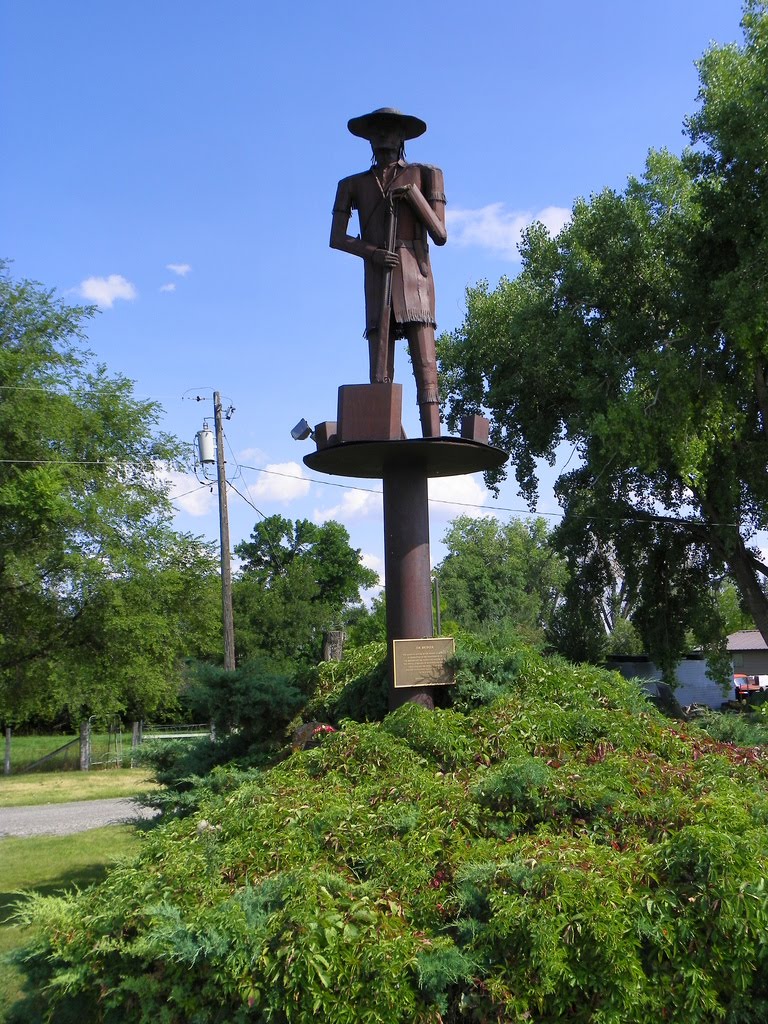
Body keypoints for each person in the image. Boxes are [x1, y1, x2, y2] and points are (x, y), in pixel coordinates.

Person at [330, 107, 447, 438]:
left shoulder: (426, 175)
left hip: (416, 279)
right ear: (368, 137)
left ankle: (432, 436)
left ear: (402, 137)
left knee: (426, 365)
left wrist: (412, 196)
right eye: (377, 130)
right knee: (379, 368)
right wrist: (373, 253)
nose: (383, 136)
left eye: (391, 130)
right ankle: (388, 433)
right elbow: (337, 237)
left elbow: (440, 234)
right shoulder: (352, 184)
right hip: (377, 278)